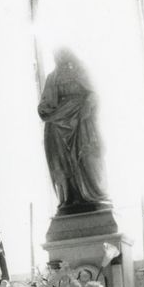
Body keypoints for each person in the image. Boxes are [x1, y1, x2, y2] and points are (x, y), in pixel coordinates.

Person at [37, 48, 111, 215]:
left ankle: (92, 195)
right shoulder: (52, 77)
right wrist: (44, 110)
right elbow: (45, 103)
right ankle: (69, 198)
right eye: (56, 54)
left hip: (81, 120)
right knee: (62, 162)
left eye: (63, 53)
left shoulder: (82, 71)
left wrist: (88, 104)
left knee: (86, 156)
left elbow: (95, 93)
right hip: (58, 123)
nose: (60, 58)